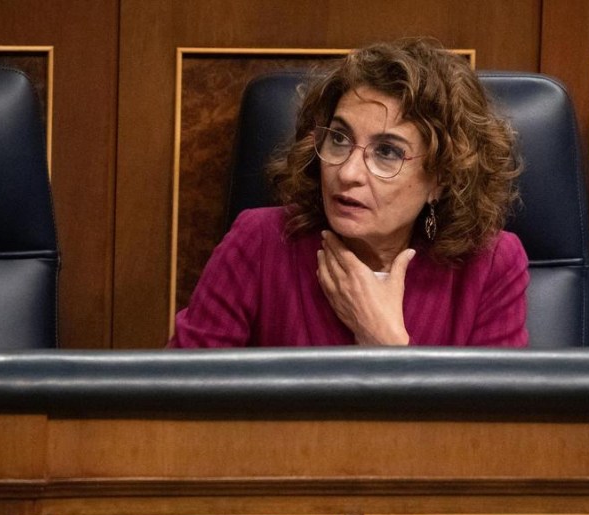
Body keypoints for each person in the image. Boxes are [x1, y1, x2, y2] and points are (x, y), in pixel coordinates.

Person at [168, 38, 528, 348]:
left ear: (442, 177)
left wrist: (388, 345)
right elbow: (177, 399)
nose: (348, 172)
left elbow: (495, 426)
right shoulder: (260, 242)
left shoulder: (490, 264)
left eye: (387, 152)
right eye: (339, 139)